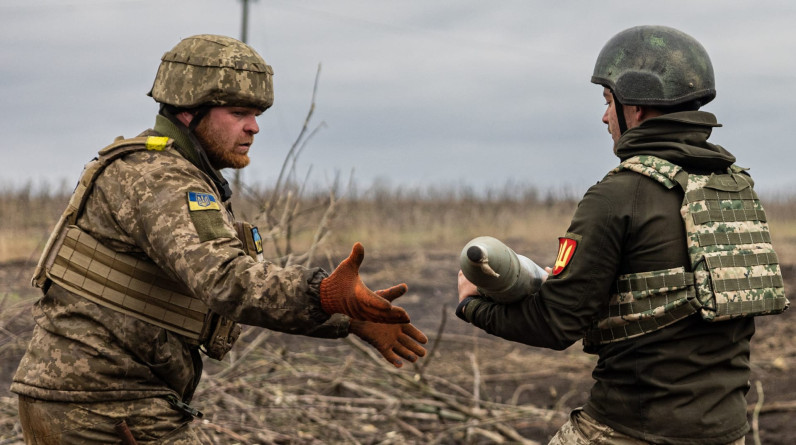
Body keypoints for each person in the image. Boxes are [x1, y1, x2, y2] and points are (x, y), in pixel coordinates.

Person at [11, 34, 428, 444]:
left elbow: (199, 296)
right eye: (239, 112)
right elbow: (226, 281)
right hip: (106, 408)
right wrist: (323, 292)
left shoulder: (170, 171)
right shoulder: (160, 179)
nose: (255, 126)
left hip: (99, 400)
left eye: (257, 113)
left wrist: (346, 316)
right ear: (189, 111)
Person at [456, 25, 788, 444]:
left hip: (631, 429)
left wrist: (471, 304)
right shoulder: (737, 188)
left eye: (608, 101)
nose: (604, 116)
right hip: (727, 432)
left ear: (636, 106)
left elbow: (554, 325)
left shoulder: (617, 195)